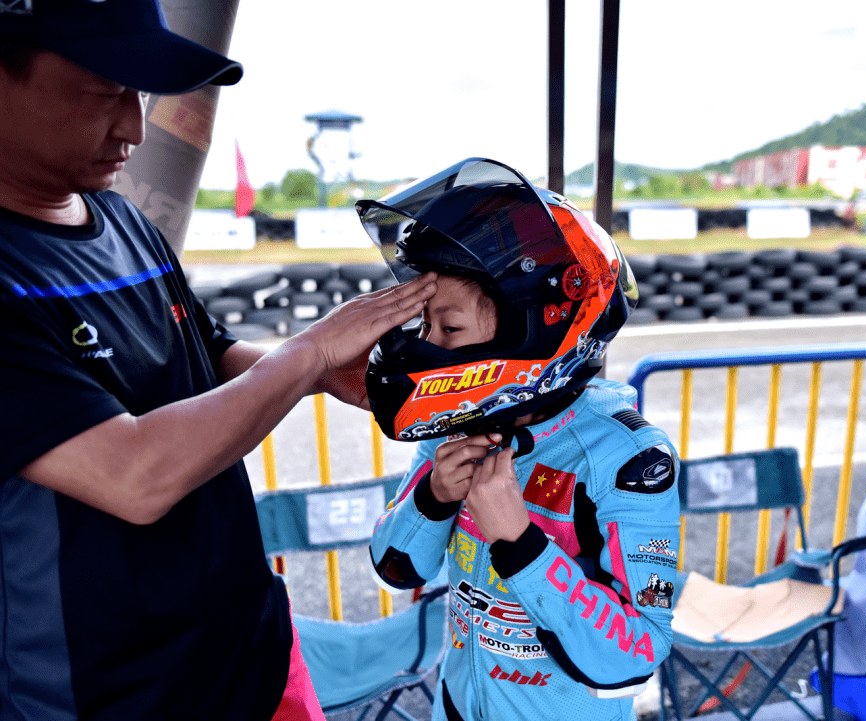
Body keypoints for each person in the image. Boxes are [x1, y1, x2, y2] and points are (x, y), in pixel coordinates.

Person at [0, 1, 436, 719]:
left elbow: (206, 352)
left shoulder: (119, 218)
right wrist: (308, 352)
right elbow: (133, 475)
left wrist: (324, 374)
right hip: (114, 695)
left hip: (252, 652)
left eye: (139, 95)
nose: (134, 128)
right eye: (105, 92)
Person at [361, 158, 682, 721]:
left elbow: (636, 653)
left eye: (449, 328)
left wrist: (520, 543)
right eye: (426, 326)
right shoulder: (456, 425)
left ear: (535, 327)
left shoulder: (627, 461)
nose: (430, 346)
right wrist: (433, 498)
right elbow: (395, 569)